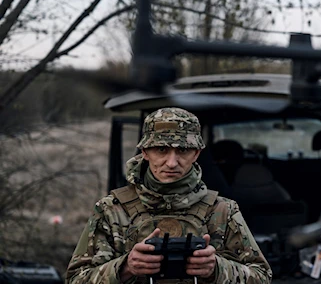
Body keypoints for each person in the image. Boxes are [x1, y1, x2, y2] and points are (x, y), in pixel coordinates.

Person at [65, 107, 272, 284]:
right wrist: (125, 267)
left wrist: (217, 269)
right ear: (145, 152)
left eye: (183, 150)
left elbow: (262, 277)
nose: (172, 163)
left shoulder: (223, 210)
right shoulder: (111, 210)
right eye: (161, 149)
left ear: (197, 153)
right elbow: (76, 279)